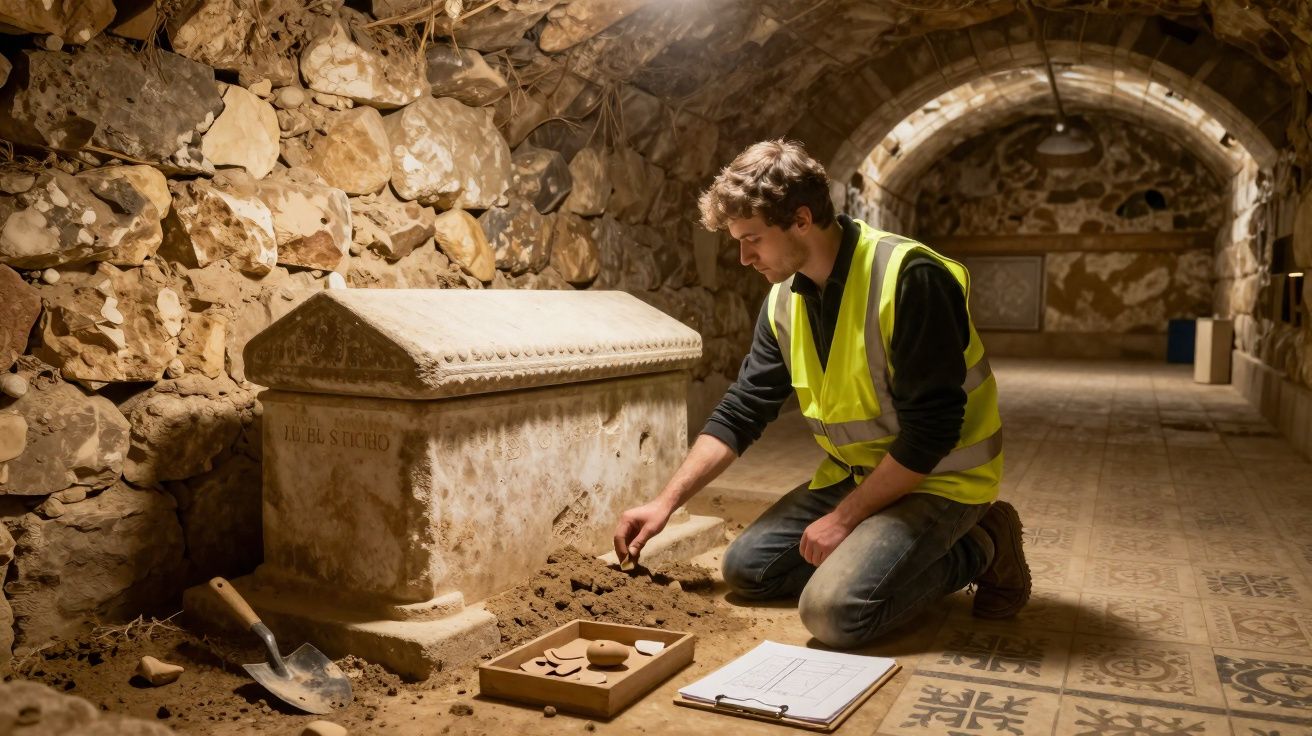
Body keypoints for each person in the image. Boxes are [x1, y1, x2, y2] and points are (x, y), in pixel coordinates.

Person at [612, 139, 1030, 649]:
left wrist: (843, 519)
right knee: (749, 571)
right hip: (860, 475)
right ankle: (882, 546)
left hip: (943, 480)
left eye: (753, 239)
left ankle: (983, 544)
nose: (744, 257)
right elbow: (744, 409)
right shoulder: (784, 299)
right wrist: (665, 504)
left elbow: (932, 433)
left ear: (802, 219)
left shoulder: (911, 278)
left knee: (835, 614)